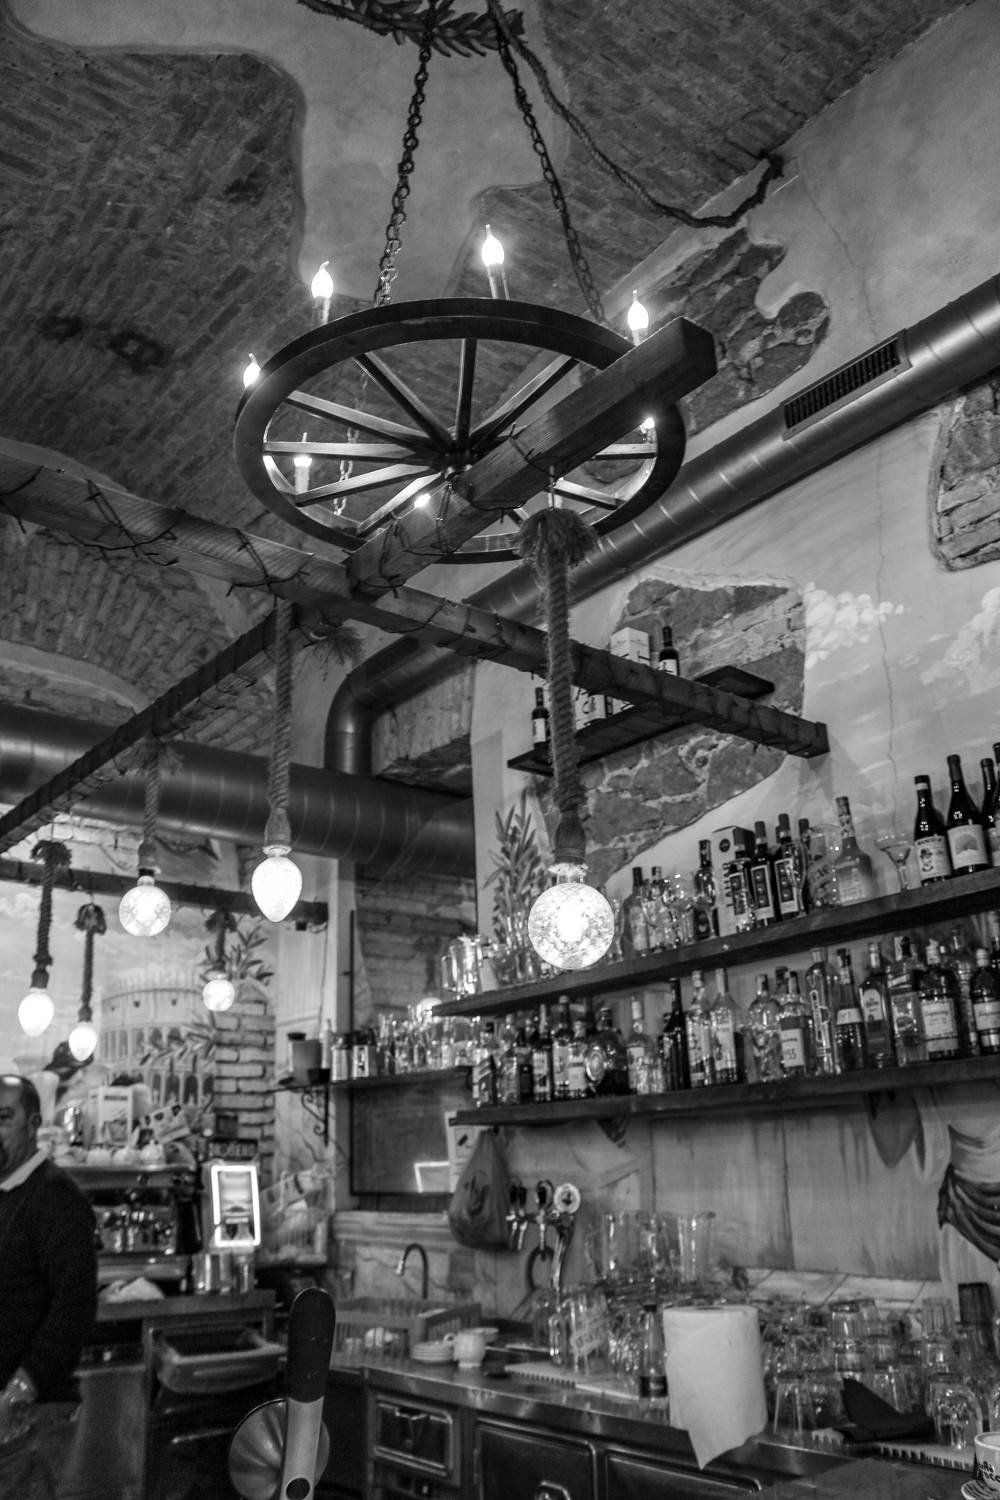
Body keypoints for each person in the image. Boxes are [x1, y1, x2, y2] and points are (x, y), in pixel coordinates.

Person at [0, 1074, 97, 1499]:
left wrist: (21, 1390)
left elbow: (74, 1306)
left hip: (32, 1414)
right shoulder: (6, 1193)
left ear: (34, 1123)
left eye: (4, 1117)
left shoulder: (56, 1197)